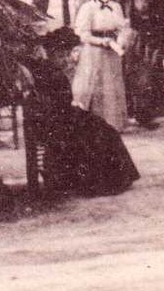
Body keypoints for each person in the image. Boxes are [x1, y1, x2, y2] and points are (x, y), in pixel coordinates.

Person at [25, 26, 140, 197]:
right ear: (52, 52)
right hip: (56, 120)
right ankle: (97, 182)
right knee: (99, 132)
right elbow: (53, 104)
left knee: (102, 128)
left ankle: (106, 178)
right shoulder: (50, 72)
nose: (65, 59)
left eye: (66, 54)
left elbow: (60, 102)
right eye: (61, 54)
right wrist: (73, 110)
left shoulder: (48, 69)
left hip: (59, 115)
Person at [71, 0, 130, 132]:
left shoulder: (116, 7)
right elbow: (83, 34)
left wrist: (120, 40)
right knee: (96, 85)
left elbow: (121, 28)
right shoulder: (88, 8)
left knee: (113, 86)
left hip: (112, 52)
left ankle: (113, 124)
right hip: (94, 52)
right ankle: (94, 124)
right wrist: (101, 41)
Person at [118, 0, 164, 127]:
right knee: (133, 73)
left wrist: (163, 39)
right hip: (134, 38)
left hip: (152, 37)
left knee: (150, 73)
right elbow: (120, 16)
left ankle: (149, 114)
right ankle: (133, 110)